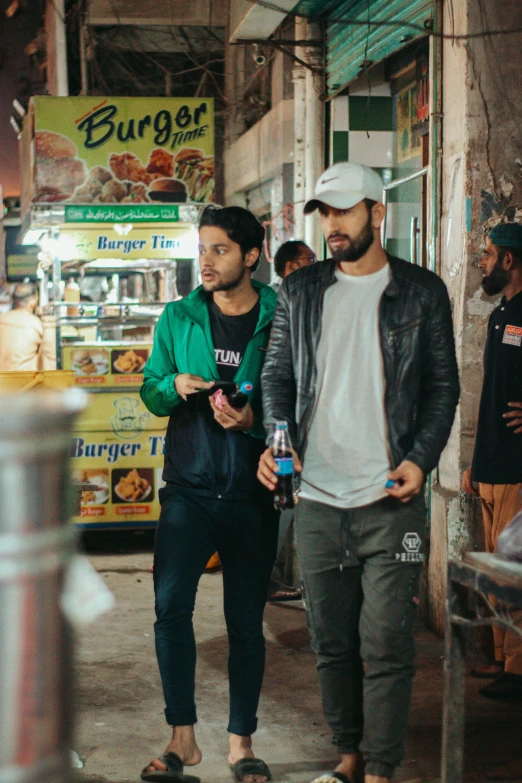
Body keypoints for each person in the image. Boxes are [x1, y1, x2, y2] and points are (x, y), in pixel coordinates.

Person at [257, 161, 459, 783]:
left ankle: (381, 768)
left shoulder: (422, 292)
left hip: (388, 499)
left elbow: (442, 388)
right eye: (325, 212)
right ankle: (347, 757)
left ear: (378, 212)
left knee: (387, 646)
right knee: (333, 645)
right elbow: (277, 378)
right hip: (316, 499)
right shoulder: (301, 290)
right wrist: (275, 439)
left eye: (345, 210)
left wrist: (420, 460)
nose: (332, 225)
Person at [140, 205, 278, 783]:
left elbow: (300, 394)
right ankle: (182, 739)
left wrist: (252, 420)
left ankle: (241, 745)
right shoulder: (177, 317)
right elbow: (149, 390)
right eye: (202, 249)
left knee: (246, 623)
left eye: (219, 250)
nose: (207, 261)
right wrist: (172, 384)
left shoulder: (281, 315)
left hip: (252, 493)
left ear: (250, 256)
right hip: (189, 490)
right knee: (170, 609)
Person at [462, 221, 522, 699]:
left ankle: (519, 670)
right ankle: (505, 661)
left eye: (487, 253)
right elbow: (490, 397)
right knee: (495, 576)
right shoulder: (500, 316)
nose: (481, 261)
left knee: (516, 572)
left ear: (509, 260)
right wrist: (474, 463)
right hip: (491, 465)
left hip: (519, 468)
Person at [269, 240, 316, 601]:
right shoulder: (278, 304)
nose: (314, 265)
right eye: (306, 261)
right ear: (287, 267)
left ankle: (279, 576)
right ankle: (268, 575)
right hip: (282, 425)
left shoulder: (309, 299)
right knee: (284, 496)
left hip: (301, 422)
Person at [0, 282, 53, 371]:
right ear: (33, 302)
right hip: (25, 382)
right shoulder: (36, 324)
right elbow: (46, 362)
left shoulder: (2, 318)